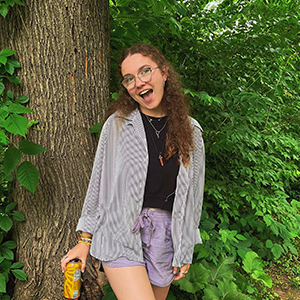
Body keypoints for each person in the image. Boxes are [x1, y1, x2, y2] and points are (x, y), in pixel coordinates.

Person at [61, 43, 205, 300]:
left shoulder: (191, 131)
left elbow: (194, 197)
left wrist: (185, 247)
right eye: (129, 78)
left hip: (165, 237)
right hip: (120, 231)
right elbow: (99, 185)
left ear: (163, 73)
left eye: (145, 71)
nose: (138, 82)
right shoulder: (117, 125)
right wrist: (85, 241)